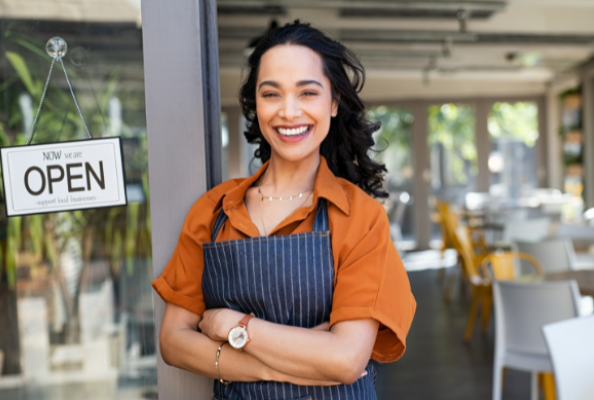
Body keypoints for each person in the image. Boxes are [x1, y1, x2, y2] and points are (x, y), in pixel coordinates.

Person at [152, 21, 416, 400]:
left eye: (307, 93)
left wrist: (234, 325)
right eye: (271, 94)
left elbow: (344, 360)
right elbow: (173, 342)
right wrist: (283, 366)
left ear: (334, 102)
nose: (289, 112)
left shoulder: (359, 217)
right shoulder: (213, 212)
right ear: (256, 105)